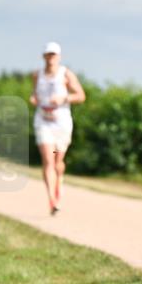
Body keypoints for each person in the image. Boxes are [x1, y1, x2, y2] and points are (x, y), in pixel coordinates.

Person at [29, 42, 85, 215]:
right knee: (48, 160)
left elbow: (81, 96)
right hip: (43, 120)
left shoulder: (66, 74)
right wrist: (33, 99)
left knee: (57, 162)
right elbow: (34, 94)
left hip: (61, 122)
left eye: (54, 55)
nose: (51, 58)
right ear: (44, 56)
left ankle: (58, 181)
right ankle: (51, 199)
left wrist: (63, 98)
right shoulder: (37, 75)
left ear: (59, 57)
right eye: (48, 54)